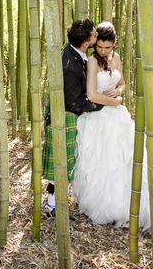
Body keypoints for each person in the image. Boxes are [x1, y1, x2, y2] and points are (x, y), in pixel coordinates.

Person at [72, 21, 153, 231]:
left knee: (125, 160)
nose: (102, 51)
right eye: (99, 46)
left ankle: (130, 205)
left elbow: (122, 84)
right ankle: (105, 206)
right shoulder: (92, 61)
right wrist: (116, 102)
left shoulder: (116, 58)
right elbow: (92, 94)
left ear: (114, 45)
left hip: (118, 116)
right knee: (104, 161)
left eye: (107, 47)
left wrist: (119, 92)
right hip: (98, 116)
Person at [42, 19, 100, 217]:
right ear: (85, 42)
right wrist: (99, 105)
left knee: (62, 162)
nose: (96, 36)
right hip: (64, 117)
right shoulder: (70, 64)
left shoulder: (74, 53)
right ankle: (53, 206)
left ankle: (54, 203)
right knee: (60, 164)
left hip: (66, 113)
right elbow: (74, 101)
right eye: (93, 35)